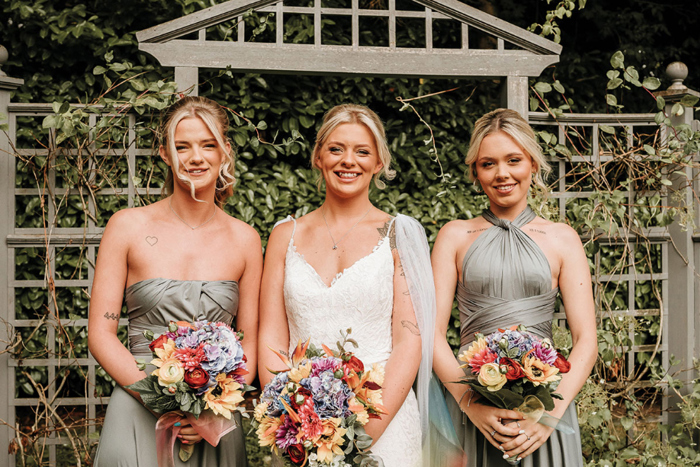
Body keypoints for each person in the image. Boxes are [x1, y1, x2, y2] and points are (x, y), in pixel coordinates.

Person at [258, 104, 440, 467]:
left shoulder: (398, 234)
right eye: (336, 149)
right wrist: (291, 418)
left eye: (362, 151)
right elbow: (271, 341)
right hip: (299, 430)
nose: (348, 161)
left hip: (383, 423)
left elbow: (410, 341)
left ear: (378, 164)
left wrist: (360, 437)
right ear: (318, 156)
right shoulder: (284, 235)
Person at [88, 96, 262, 466]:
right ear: (165, 154)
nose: (195, 157)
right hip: (137, 406)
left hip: (213, 422)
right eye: (182, 146)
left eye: (207, 144)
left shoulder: (245, 239)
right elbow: (100, 334)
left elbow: (251, 342)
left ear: (225, 152)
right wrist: (163, 401)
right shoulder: (127, 226)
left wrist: (210, 414)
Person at [432, 108, 597, 466]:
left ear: (533, 165)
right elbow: (430, 336)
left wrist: (548, 417)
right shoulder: (454, 236)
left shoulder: (562, 238)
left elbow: (587, 340)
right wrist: (470, 405)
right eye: (488, 163)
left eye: (513, 160)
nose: (502, 173)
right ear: (475, 171)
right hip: (472, 410)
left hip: (545, 412)